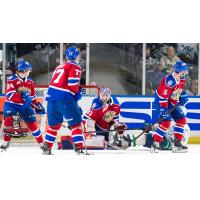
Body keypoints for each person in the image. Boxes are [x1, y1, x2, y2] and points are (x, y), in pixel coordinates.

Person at [43, 46, 85, 155]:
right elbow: (72, 84)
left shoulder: (58, 67)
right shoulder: (75, 66)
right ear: (76, 56)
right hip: (64, 99)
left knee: (54, 126)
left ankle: (47, 147)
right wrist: (77, 93)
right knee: (76, 124)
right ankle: (79, 149)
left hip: (51, 99)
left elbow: (54, 83)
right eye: (79, 54)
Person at [0, 61, 45, 150]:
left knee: (32, 124)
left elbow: (32, 96)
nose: (29, 71)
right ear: (24, 70)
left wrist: (36, 105)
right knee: (8, 120)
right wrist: (22, 96)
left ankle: (42, 144)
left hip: (25, 105)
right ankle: (5, 143)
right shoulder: (12, 79)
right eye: (28, 70)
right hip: (12, 104)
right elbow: (10, 95)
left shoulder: (30, 81)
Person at [151, 60, 189, 153]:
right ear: (180, 71)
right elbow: (163, 97)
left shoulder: (181, 77)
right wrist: (164, 109)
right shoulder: (170, 81)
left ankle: (177, 143)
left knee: (181, 119)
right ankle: (155, 144)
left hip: (171, 102)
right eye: (184, 70)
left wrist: (182, 95)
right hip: (161, 102)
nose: (186, 72)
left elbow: (178, 90)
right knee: (166, 123)